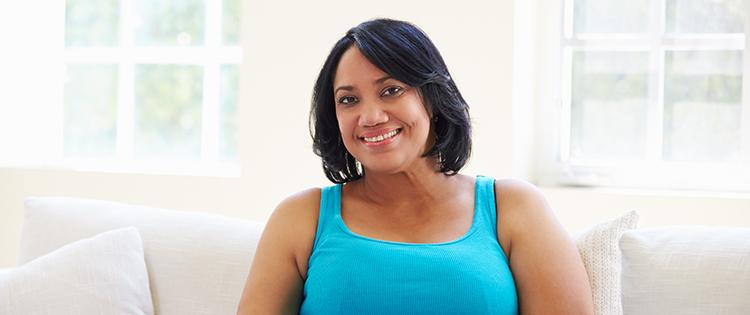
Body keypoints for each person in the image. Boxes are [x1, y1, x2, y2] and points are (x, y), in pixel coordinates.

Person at [237, 18, 593, 315]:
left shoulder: (513, 208)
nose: (371, 116)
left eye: (391, 90)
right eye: (348, 100)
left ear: (433, 96)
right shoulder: (300, 218)